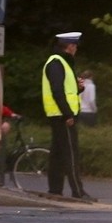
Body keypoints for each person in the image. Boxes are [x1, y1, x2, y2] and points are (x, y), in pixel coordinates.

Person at [42, 32, 91, 201]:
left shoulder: (59, 62)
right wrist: (67, 114)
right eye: (75, 45)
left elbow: (65, 89)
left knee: (57, 154)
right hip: (63, 115)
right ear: (70, 46)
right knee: (71, 153)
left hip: (58, 114)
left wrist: (79, 88)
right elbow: (57, 91)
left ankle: (55, 190)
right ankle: (78, 191)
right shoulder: (57, 63)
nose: (76, 48)